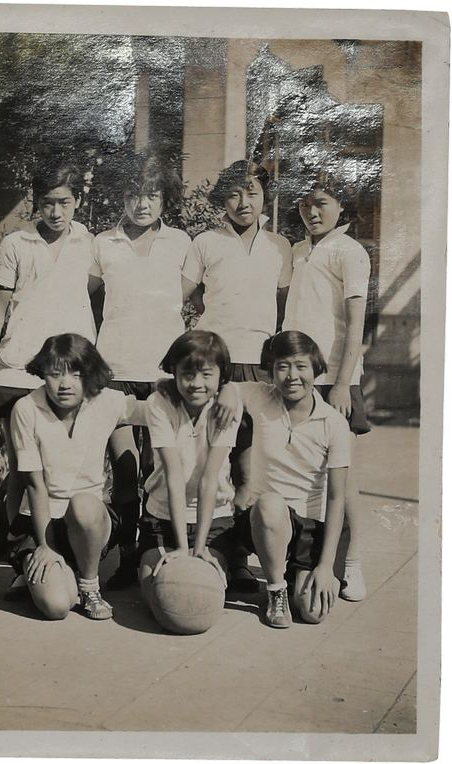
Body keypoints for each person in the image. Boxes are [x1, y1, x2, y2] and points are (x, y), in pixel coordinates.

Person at [0, 161, 97, 597]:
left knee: (63, 469)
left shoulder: (90, 243)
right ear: (36, 203)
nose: (55, 212)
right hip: (17, 369)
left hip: (69, 373)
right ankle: (20, 560)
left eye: (64, 202)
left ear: (77, 201)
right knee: (21, 470)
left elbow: (93, 299)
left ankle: (62, 556)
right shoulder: (17, 242)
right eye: (47, 203)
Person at [180, 159, 293, 588]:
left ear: (265, 197)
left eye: (252, 192)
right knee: (213, 460)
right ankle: (210, 553)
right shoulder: (205, 242)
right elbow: (179, 297)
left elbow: (285, 307)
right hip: (216, 365)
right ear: (222, 200)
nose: (243, 202)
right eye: (234, 193)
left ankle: (241, 558)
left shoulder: (279, 246)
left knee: (251, 467)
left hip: (259, 366)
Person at [89, 152, 191, 589]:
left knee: (160, 467)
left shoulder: (182, 243)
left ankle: (156, 551)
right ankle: (128, 558)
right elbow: (80, 298)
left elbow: (195, 298)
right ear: (122, 197)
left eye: (152, 195)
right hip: (114, 371)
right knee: (125, 471)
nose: (142, 204)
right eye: (134, 195)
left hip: (164, 375)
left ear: (164, 199)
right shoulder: (102, 244)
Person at [9, 333, 146, 621]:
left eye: (76, 373)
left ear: (90, 374)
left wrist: (220, 396)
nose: (65, 384)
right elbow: (34, 484)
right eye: (55, 373)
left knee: (83, 504)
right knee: (57, 605)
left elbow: (158, 409)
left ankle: (89, 586)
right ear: (42, 372)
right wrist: (45, 546)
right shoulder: (26, 409)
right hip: (41, 521)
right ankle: (46, 570)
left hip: (87, 523)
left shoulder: (107, 401)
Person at [282, 172, 371, 601]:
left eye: (322, 203)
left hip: (335, 380)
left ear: (341, 207)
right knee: (302, 470)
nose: (312, 212)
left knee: (341, 475)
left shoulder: (350, 252)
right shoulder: (299, 250)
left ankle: (351, 563)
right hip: (298, 377)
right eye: (306, 204)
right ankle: (302, 559)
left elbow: (356, 326)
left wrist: (340, 384)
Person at [223, 331, 350, 628]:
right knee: (270, 503)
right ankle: (276, 590)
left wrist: (325, 566)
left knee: (313, 612)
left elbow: (337, 498)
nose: (292, 376)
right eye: (282, 367)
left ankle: (295, 574)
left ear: (316, 369)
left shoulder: (334, 423)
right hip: (265, 518)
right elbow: (228, 386)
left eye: (301, 366)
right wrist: (228, 394)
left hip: (310, 527)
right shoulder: (261, 396)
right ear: (271, 371)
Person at [139, 330, 242, 632]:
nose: (196, 383)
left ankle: (231, 562)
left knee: (199, 591)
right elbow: (173, 475)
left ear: (221, 375)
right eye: (187, 374)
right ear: (173, 371)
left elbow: (209, 479)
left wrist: (197, 550)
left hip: (213, 519)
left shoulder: (227, 407)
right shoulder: (159, 403)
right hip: (163, 516)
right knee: (155, 592)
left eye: (207, 374)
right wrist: (182, 549)